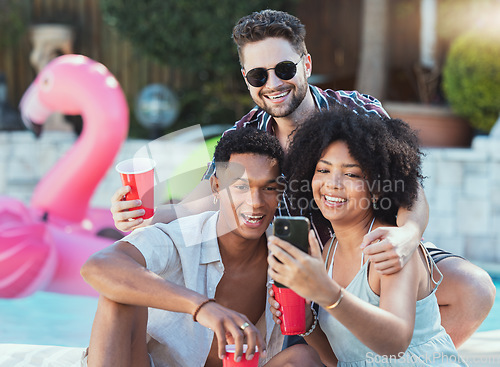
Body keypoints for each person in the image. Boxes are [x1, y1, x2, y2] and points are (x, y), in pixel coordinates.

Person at [110, 9, 495, 347]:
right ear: (246, 79)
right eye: (259, 75)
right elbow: (203, 204)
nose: (273, 84)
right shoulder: (245, 137)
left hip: (371, 258)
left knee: (474, 290)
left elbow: (409, 191)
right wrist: (142, 214)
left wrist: (407, 236)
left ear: (306, 64)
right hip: (298, 275)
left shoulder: (357, 111)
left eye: (285, 69)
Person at [81, 128, 323, 367]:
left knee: (304, 358)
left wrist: (305, 315)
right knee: (117, 295)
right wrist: (202, 307)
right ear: (216, 187)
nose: (255, 202)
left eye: (268, 188)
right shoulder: (183, 237)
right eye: (240, 187)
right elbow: (97, 266)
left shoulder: (285, 257)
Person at [268, 106, 468, 366]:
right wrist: (307, 320)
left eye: (351, 174)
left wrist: (326, 292)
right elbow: (341, 359)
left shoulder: (390, 248)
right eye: (323, 170)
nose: (333, 184)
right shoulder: (329, 251)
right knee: (294, 358)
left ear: (377, 188)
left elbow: (395, 343)